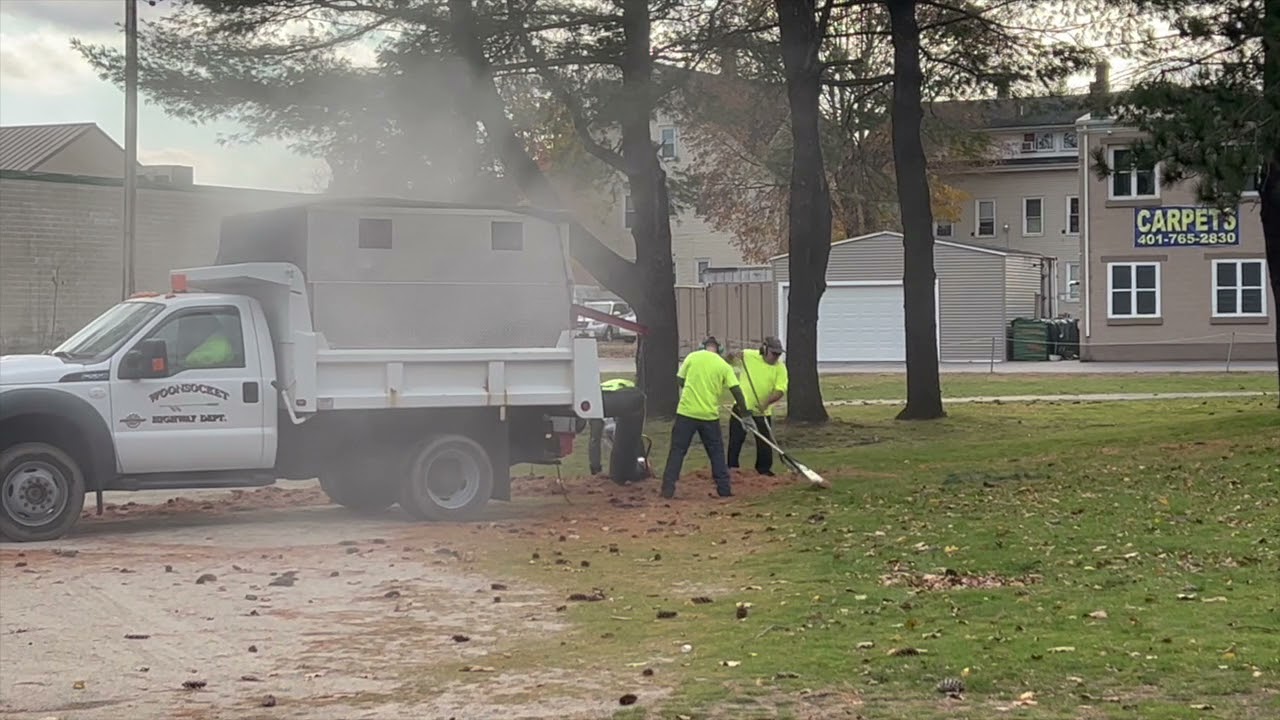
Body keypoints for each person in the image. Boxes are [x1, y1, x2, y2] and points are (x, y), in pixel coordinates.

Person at [661, 336, 750, 499]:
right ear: (719, 350)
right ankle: (724, 489)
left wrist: (692, 386)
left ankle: (667, 488)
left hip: (686, 413)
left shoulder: (692, 357)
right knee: (716, 453)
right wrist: (746, 415)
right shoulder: (723, 365)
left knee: (677, 451)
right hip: (709, 416)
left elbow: (680, 379)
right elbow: (736, 390)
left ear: (702, 347)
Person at [727, 336, 789, 476]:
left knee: (765, 442)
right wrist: (731, 356)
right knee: (736, 440)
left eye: (779, 354)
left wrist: (765, 403)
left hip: (763, 412)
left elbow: (780, 390)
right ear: (764, 349)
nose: (776, 357)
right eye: (774, 353)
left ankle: (763, 470)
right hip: (742, 408)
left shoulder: (780, 368)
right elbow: (729, 361)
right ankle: (732, 468)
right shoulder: (748, 356)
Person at [589, 377, 637, 476]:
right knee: (618, 435)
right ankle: (622, 467)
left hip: (597, 398)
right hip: (609, 400)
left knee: (595, 439)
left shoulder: (625, 388)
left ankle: (595, 469)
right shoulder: (631, 391)